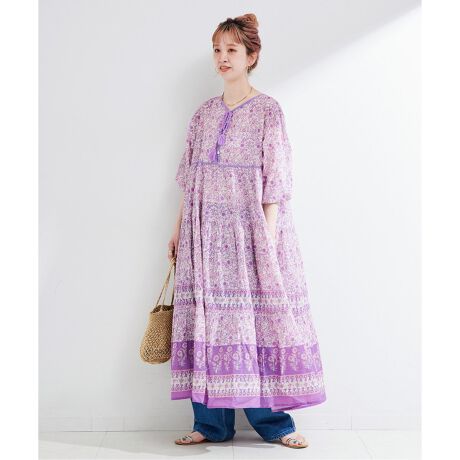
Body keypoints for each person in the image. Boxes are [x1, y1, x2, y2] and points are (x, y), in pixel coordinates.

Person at [167, 13, 326, 449]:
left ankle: (275, 425)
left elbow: (276, 181)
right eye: (217, 50)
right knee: (209, 320)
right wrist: (179, 229)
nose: (222, 57)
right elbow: (189, 179)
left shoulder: (268, 111)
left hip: (250, 233)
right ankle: (210, 425)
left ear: (251, 56)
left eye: (232, 50)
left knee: (257, 322)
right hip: (204, 234)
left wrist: (268, 241)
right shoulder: (203, 114)